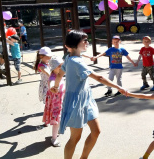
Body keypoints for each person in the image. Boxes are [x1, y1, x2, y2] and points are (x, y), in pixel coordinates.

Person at [52, 30, 126, 159]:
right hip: (76, 101)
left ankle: (83, 157)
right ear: (75, 44)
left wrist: (56, 86)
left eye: (87, 40)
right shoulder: (75, 61)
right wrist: (119, 87)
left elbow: (60, 74)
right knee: (75, 137)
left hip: (86, 98)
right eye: (84, 40)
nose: (87, 42)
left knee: (96, 131)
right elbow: (99, 77)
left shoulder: (70, 58)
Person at [42, 56, 65, 147]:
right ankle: (54, 139)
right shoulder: (52, 77)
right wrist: (52, 87)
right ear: (54, 67)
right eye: (60, 66)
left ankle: (58, 130)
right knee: (56, 120)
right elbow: (52, 83)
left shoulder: (60, 75)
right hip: (56, 103)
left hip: (61, 100)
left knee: (60, 119)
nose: (62, 68)